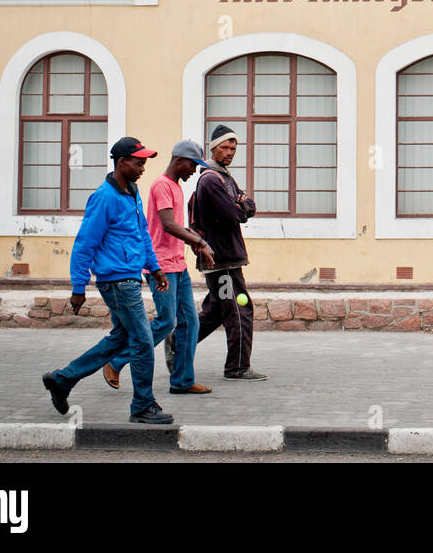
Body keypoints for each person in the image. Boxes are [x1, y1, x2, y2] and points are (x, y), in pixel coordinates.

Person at [41, 137, 174, 424]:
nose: (142, 168)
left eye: (144, 162)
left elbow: (142, 236)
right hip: (117, 282)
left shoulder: (132, 193)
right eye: (138, 162)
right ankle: (142, 405)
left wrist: (155, 267)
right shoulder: (104, 197)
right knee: (142, 340)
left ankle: (62, 380)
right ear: (121, 161)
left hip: (130, 277)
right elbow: (84, 244)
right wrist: (78, 286)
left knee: (120, 339)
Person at [102, 140, 216, 395]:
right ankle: (117, 360)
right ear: (179, 160)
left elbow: (177, 226)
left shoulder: (175, 187)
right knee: (166, 322)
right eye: (192, 165)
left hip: (178, 263)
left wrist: (195, 240)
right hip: (162, 265)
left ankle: (182, 380)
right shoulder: (162, 185)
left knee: (190, 324)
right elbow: (167, 224)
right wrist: (197, 240)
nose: (193, 171)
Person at [193, 124, 266, 380]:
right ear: (213, 148)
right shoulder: (211, 179)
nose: (229, 152)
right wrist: (240, 206)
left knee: (215, 311)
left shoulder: (225, 177)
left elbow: (249, 205)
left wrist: (242, 205)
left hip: (228, 259)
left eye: (233, 148)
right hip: (221, 260)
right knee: (238, 311)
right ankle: (237, 367)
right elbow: (233, 214)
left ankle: (177, 342)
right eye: (224, 147)